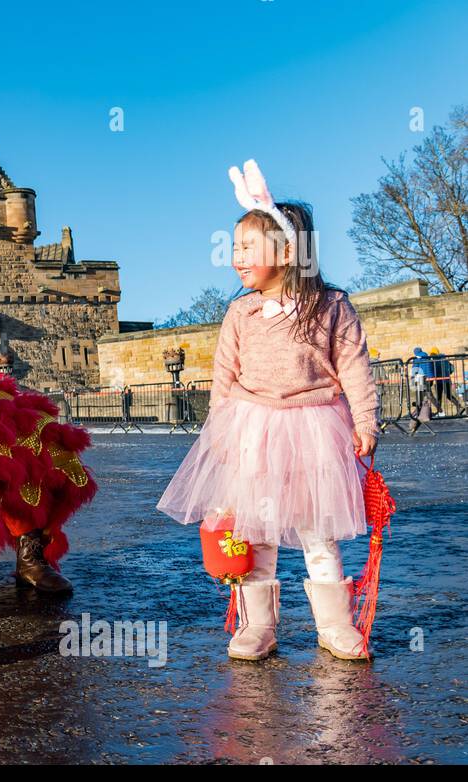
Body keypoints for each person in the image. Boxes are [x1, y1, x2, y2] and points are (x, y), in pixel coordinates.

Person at [157, 160, 378, 662]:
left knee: (317, 532)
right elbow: (224, 379)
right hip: (253, 427)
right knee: (253, 532)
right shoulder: (240, 312)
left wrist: (365, 422)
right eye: (233, 249)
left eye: (246, 248)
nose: (236, 259)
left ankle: (335, 625)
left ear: (286, 251)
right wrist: (221, 434)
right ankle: (258, 625)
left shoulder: (331, 306)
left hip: (315, 427)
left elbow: (355, 368)